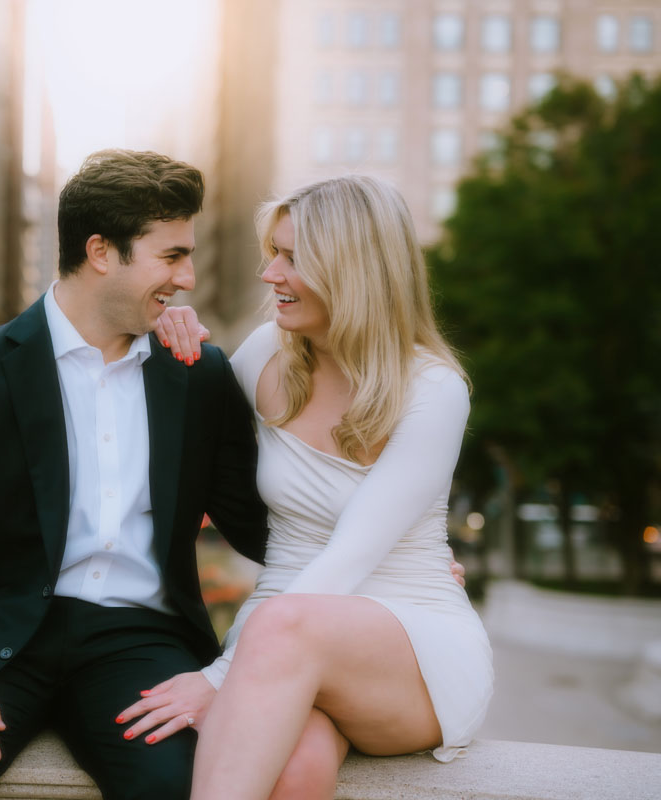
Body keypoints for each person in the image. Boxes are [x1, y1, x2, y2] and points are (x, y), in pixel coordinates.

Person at [0, 149, 268, 800]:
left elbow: (258, 527)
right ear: (101, 252)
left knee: (181, 788)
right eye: (171, 257)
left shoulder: (197, 373)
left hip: (141, 640)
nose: (189, 278)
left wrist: (387, 559)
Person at [119, 174, 493, 799]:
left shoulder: (433, 390)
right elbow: (181, 431)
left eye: (292, 259)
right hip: (284, 643)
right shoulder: (268, 352)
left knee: (288, 625)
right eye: (273, 254)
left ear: (352, 271)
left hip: (411, 650)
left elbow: (350, 557)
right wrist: (163, 333)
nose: (271, 275)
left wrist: (217, 678)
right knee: (294, 773)